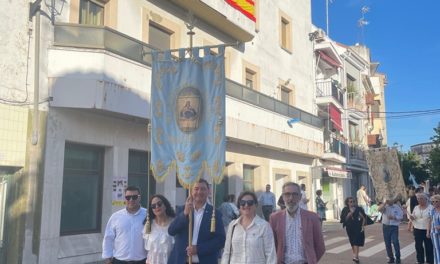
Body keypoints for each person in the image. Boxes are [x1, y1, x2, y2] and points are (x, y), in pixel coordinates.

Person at [168, 179, 225, 264]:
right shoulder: (181, 209)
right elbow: (171, 231)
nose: (199, 192)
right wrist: (184, 214)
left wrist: (198, 249)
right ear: (191, 191)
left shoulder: (215, 213)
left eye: (203, 189)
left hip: (205, 261)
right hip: (181, 261)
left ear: (208, 191)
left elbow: (220, 240)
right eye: (196, 189)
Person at [270, 182, 325, 264]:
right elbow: (272, 246)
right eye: (287, 194)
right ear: (283, 197)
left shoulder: (312, 218)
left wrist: (311, 260)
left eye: (295, 194)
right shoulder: (275, 218)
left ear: (300, 197)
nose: (291, 198)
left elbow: (320, 246)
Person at [221, 191, 276, 264]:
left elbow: (270, 255)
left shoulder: (264, 226)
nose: (246, 205)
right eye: (242, 203)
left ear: (255, 205)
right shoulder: (232, 225)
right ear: (239, 205)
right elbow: (227, 252)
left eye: (250, 202)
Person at [102, 186, 148, 264]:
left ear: (139, 198)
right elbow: (108, 238)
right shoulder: (115, 217)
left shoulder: (148, 215)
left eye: (134, 197)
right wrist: (107, 259)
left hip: (142, 261)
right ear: (124, 198)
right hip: (119, 261)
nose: (131, 200)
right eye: (128, 197)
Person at [143, 194, 176, 264]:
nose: (157, 207)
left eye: (159, 204)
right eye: (153, 206)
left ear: (165, 205)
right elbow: (147, 249)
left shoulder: (175, 223)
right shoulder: (148, 224)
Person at [340, 197, 368, 263]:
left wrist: (362, 226)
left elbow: (363, 218)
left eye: (353, 201)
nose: (352, 203)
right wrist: (350, 213)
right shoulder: (345, 209)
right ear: (347, 203)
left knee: (356, 241)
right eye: (350, 202)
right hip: (349, 228)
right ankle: (356, 255)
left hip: (357, 227)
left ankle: (356, 257)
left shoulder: (358, 209)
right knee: (352, 242)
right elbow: (344, 219)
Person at [409, 192, 433, 264]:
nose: (419, 200)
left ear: (426, 199)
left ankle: (429, 261)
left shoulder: (431, 207)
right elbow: (413, 216)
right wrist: (411, 218)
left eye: (421, 199)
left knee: (429, 246)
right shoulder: (416, 207)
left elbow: (432, 219)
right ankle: (420, 260)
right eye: (418, 199)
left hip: (427, 229)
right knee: (418, 246)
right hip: (417, 229)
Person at [379, 195, 404, 264]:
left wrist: (394, 217)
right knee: (387, 243)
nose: (390, 202)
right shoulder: (385, 206)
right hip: (385, 226)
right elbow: (379, 209)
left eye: (391, 200)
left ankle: (398, 258)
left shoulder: (397, 207)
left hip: (394, 227)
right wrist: (384, 203)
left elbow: (401, 216)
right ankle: (391, 258)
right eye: (388, 200)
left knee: (395, 242)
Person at [427, 194, 440, 264]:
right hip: (434, 233)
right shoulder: (432, 210)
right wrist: (428, 231)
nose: (434, 203)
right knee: (436, 249)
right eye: (433, 202)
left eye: (436, 201)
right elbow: (429, 221)